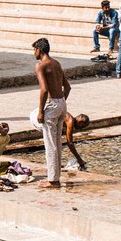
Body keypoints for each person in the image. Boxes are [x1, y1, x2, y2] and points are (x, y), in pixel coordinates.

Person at [32, 37, 70, 189]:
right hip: (61, 103)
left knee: (50, 143)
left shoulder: (41, 66)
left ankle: (53, 180)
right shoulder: (57, 63)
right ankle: (55, 178)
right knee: (56, 143)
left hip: (52, 103)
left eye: (34, 50)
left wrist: (41, 111)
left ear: (39, 50)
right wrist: (61, 102)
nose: (33, 53)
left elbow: (44, 89)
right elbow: (67, 87)